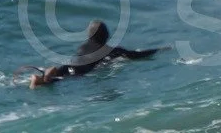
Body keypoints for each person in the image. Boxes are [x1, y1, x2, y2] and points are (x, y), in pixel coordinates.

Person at [29, 21, 159, 88]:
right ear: (106, 36)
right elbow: (135, 55)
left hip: (71, 64)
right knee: (65, 79)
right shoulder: (109, 50)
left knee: (61, 75)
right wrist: (158, 50)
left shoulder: (83, 46)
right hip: (83, 69)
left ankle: (45, 75)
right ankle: (45, 77)